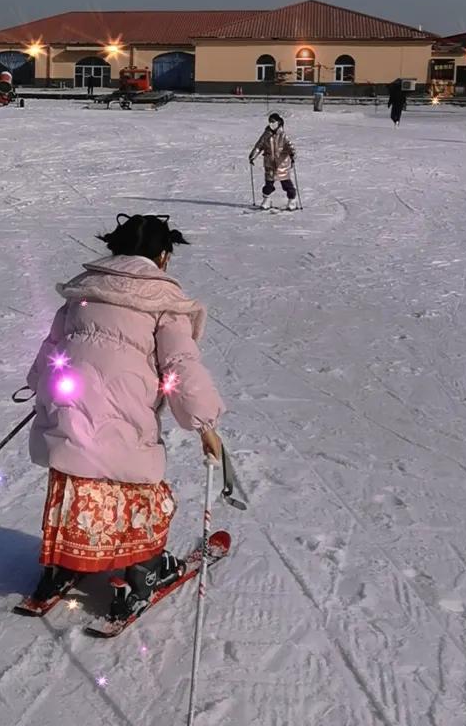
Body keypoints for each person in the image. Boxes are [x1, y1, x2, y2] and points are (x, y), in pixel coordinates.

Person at [24, 213, 224, 621]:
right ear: (163, 256)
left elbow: (52, 349)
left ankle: (61, 564)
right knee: (138, 491)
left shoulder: (83, 293)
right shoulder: (163, 303)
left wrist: (39, 391)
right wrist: (205, 423)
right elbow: (180, 364)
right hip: (124, 419)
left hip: (70, 411)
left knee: (77, 485)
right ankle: (142, 573)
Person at [249, 112, 298, 210]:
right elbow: (259, 146)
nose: (271, 124)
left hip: (282, 164)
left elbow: (290, 146)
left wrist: (292, 154)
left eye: (273, 122)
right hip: (270, 164)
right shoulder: (266, 135)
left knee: (286, 184)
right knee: (268, 184)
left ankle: (292, 200)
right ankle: (267, 200)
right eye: (270, 122)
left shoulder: (283, 136)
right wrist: (252, 156)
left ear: (279, 122)